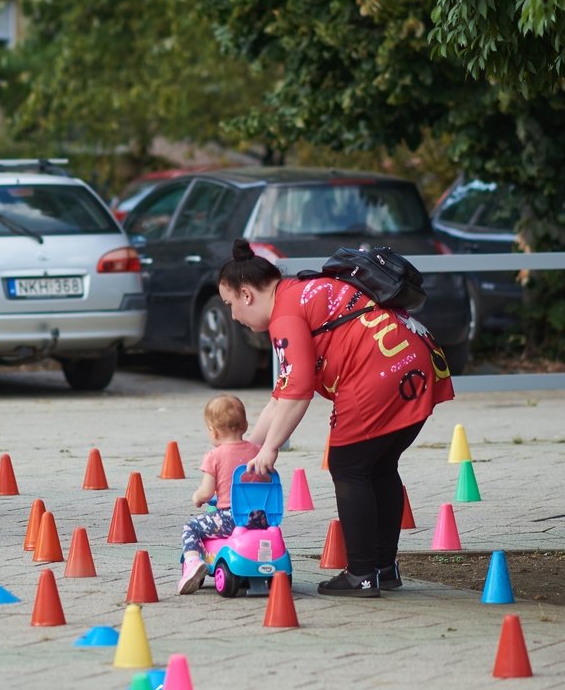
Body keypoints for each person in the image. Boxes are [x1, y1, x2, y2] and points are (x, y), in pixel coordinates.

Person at [218, 239, 454, 596]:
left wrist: (271, 450)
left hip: (380, 373)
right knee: (378, 467)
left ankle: (361, 574)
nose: (233, 315)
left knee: (349, 467)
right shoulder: (300, 291)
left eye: (229, 304)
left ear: (246, 294)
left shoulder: (284, 314)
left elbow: (297, 392)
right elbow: (282, 393)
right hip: (416, 358)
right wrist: (252, 446)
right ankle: (383, 569)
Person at [177, 394, 268, 595]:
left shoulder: (214, 456)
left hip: (230, 519)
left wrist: (197, 497)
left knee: (190, 527)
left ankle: (193, 563)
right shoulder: (259, 451)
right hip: (260, 518)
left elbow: (207, 491)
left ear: (214, 432)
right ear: (244, 425)